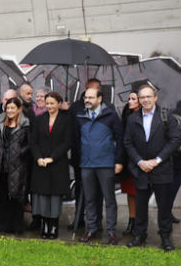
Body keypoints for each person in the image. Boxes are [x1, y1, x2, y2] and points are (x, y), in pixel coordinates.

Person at [123, 85, 181, 251]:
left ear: (155, 98)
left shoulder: (166, 116)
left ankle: (165, 237)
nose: (145, 100)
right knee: (140, 205)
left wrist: (157, 160)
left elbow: (175, 140)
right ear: (139, 100)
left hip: (161, 169)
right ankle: (140, 235)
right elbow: (127, 142)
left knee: (164, 206)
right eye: (142, 97)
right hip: (141, 169)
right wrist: (140, 162)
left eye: (149, 97)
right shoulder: (133, 119)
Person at [74, 87, 124, 245]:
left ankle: (111, 232)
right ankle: (91, 230)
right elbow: (76, 141)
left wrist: (118, 161)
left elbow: (120, 139)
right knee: (89, 199)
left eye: (90, 97)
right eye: (85, 97)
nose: (87, 100)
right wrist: (79, 161)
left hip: (106, 164)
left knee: (109, 199)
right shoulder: (80, 116)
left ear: (100, 99)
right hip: (87, 165)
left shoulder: (110, 115)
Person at [29, 91, 73, 239]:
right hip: (40, 165)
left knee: (55, 197)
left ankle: (53, 226)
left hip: (57, 165)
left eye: (52, 103)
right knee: (42, 196)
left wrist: (52, 158)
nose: (49, 106)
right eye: (47, 103)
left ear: (59, 104)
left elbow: (67, 142)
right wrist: (39, 158)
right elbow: (33, 141)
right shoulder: (39, 120)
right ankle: (45, 225)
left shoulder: (66, 120)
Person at [65, 78, 103, 230]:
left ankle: (97, 221)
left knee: (98, 189)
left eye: (92, 90)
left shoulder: (107, 108)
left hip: (99, 158)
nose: (87, 93)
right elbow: (72, 133)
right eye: (87, 89)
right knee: (81, 188)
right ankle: (79, 218)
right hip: (80, 156)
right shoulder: (76, 107)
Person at [0, 97, 31, 234]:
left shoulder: (25, 125)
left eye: (13, 108)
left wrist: (20, 151)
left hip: (18, 166)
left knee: (16, 198)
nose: (10, 110)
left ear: (19, 109)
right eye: (8, 108)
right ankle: (4, 227)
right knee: (3, 196)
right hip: (1, 166)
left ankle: (18, 227)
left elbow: (30, 144)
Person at [119, 91, 141, 235]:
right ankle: (131, 222)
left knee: (140, 192)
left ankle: (139, 223)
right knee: (130, 192)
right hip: (128, 160)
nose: (130, 101)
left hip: (141, 160)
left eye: (134, 99)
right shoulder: (126, 115)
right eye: (129, 99)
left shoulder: (145, 115)